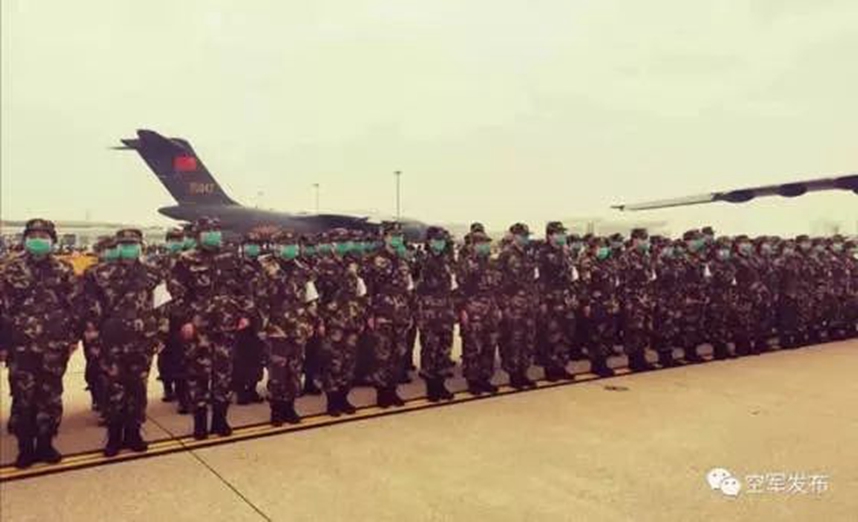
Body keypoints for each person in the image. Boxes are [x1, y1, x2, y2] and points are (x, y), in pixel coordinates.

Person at [0, 219, 81, 468]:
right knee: (23, 397)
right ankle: (25, 447)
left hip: (54, 347)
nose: (38, 240)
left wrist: (73, 339)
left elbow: (75, 307)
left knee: (50, 396)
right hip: (21, 347)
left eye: (43, 236)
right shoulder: (10, 269)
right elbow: (2, 310)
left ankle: (46, 443)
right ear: (25, 239)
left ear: (52, 241)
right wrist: (3, 344)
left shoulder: (64, 269)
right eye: (33, 235)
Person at [168, 218, 254, 439]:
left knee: (223, 374)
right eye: (208, 231)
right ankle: (199, 423)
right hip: (199, 329)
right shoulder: (185, 260)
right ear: (198, 235)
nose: (214, 234)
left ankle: (219, 420)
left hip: (226, 326)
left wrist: (245, 314)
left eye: (216, 230)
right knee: (198, 375)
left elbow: (245, 288)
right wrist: (184, 321)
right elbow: (176, 294)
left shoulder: (231, 257)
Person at [81, 229, 164, 456]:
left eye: (132, 244)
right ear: (116, 247)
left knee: (138, 388)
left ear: (140, 246)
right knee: (113, 389)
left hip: (142, 341)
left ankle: (134, 433)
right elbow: (89, 309)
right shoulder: (98, 274)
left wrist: (161, 335)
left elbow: (163, 306)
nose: (129, 248)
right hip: (111, 342)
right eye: (124, 244)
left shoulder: (154, 274)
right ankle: (114, 436)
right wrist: (93, 339)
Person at [258, 230, 318, 425]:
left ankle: (290, 407)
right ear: (277, 247)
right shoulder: (267, 269)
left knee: (295, 370)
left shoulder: (303, 269)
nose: (291, 248)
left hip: (298, 327)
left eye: (293, 244)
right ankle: (276, 410)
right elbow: (259, 300)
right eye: (286, 244)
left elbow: (310, 298)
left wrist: (311, 321)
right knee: (277, 371)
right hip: (276, 329)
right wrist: (261, 327)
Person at [362, 222, 414, 407]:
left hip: (401, 315)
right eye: (393, 235)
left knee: (398, 355)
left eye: (399, 235)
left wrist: (409, 312)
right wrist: (370, 314)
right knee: (382, 355)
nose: (397, 238)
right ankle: (382, 393)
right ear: (385, 237)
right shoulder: (373, 260)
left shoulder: (403, 260)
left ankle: (392, 390)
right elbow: (367, 290)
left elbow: (408, 288)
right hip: (382, 315)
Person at [315, 228, 364, 415]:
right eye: (340, 242)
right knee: (333, 363)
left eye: (346, 241)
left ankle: (343, 398)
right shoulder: (322, 266)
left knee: (349, 363)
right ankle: (332, 401)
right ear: (332, 244)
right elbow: (316, 298)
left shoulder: (353, 265)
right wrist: (320, 321)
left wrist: (360, 316)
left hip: (351, 321)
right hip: (333, 324)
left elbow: (360, 294)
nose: (344, 245)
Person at [456, 230, 501, 394]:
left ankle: (485, 378)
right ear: (473, 245)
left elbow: (497, 288)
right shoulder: (465, 264)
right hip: (473, 310)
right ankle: (473, 380)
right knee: (473, 347)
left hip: (490, 309)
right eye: (481, 243)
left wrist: (498, 307)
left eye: (486, 243)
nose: (485, 246)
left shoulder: (492, 263)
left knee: (489, 345)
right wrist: (462, 310)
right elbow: (459, 290)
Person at [415, 227, 456, 401]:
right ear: (429, 242)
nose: (440, 243)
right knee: (430, 350)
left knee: (444, 350)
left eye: (442, 240)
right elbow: (415, 288)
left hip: (446, 312)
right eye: (436, 240)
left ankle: (441, 384)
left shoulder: (446, 261)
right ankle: (431, 387)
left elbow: (452, 286)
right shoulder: (421, 261)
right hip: (429, 313)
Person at [498, 223, 538, 389]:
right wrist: (504, 306)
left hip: (528, 305)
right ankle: (514, 375)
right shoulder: (505, 255)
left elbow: (533, 280)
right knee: (513, 340)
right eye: (522, 235)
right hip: (513, 305)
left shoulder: (528, 255)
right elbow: (499, 283)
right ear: (514, 236)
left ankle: (523, 372)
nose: (525, 238)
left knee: (527, 340)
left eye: (527, 235)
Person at [536, 221, 576, 381]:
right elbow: (538, 280)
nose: (562, 236)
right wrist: (542, 301)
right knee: (551, 336)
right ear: (550, 235)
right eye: (559, 233)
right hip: (551, 301)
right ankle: (550, 369)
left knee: (565, 335)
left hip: (565, 300)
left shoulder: (565, 252)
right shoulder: (542, 254)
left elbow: (571, 276)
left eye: (563, 233)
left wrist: (572, 296)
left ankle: (561, 366)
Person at [233, 232, 268, 405]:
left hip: (260, 320)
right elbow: (233, 293)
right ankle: (240, 391)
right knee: (241, 357)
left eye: (256, 244)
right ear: (243, 247)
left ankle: (252, 388)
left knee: (257, 357)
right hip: (243, 320)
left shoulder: (263, 267)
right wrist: (242, 315)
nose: (253, 247)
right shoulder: (237, 267)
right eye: (249, 244)